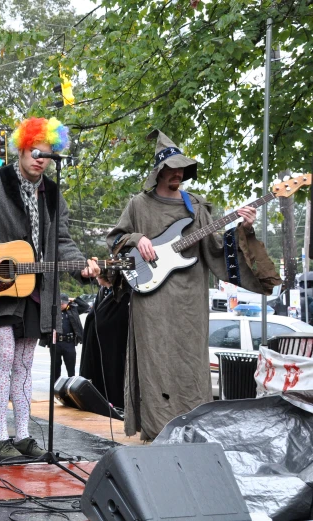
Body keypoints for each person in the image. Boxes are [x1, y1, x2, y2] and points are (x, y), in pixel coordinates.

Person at [106, 129, 280, 440]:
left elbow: (215, 251)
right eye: (172, 169)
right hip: (152, 303)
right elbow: (115, 241)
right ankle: (156, 433)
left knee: (189, 366)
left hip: (190, 304)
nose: (178, 174)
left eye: (182, 169)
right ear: (159, 170)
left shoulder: (196, 206)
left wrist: (242, 228)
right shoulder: (138, 205)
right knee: (155, 363)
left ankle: (191, 432)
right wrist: (137, 238)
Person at [0, 117, 102, 462]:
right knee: (3, 357)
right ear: (21, 148)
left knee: (26, 363)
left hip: (37, 290)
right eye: (34, 152)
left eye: (47, 155)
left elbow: (61, 242)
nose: (39, 160)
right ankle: (0, 437)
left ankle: (23, 434)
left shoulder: (54, 194)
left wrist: (84, 269)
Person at [78, 281, 130, 410]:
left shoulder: (121, 295)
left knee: (114, 378)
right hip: (100, 350)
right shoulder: (103, 293)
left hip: (114, 352)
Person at [53, 294, 83, 382]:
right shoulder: (54, 311)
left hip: (69, 343)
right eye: (59, 303)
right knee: (55, 369)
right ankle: (55, 389)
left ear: (67, 303)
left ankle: (70, 389)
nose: (60, 305)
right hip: (56, 343)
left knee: (71, 369)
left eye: (62, 303)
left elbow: (85, 306)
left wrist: (74, 300)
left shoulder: (72, 310)